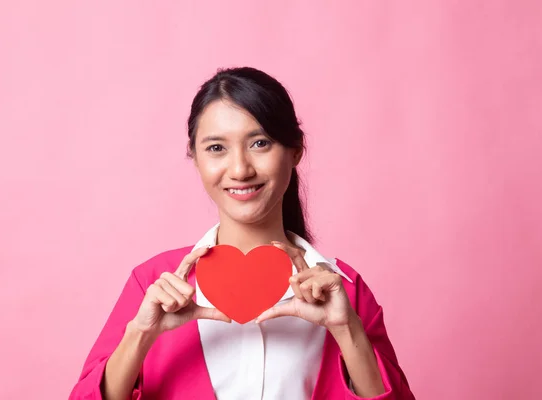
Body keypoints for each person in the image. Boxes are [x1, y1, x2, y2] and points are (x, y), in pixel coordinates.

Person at [69, 67, 415, 400]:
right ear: (195, 157)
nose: (240, 169)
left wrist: (346, 328)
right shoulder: (153, 284)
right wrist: (143, 334)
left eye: (260, 143)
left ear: (295, 151)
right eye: (216, 148)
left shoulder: (345, 290)